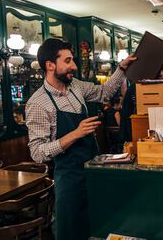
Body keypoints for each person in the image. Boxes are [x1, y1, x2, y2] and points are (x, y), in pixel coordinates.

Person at [25, 38, 136, 240]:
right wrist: (75, 134)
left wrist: (122, 68)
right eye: (67, 61)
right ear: (50, 65)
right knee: (71, 231)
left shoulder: (75, 86)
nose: (74, 66)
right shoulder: (38, 103)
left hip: (93, 172)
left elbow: (104, 92)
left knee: (98, 227)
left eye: (73, 60)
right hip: (69, 180)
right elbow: (37, 153)